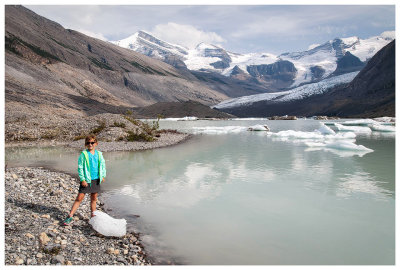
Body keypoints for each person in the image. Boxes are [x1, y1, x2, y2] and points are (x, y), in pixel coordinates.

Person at [63, 134, 106, 225]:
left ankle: (93, 216)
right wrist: (82, 179)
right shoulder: (84, 154)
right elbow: (80, 167)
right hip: (87, 180)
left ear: (96, 143)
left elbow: (102, 165)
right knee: (79, 198)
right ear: (86, 144)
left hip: (96, 179)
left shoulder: (99, 154)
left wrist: (103, 176)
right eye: (88, 143)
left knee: (94, 198)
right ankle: (70, 216)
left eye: (92, 143)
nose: (90, 144)